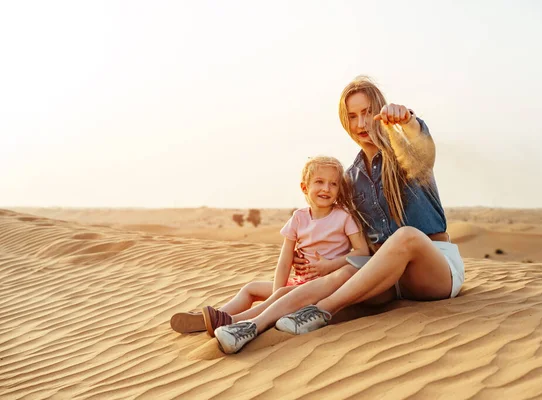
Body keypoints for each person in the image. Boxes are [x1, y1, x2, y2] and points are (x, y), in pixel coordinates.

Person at [214, 76, 465, 354]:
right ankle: (246, 324)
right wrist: (313, 255)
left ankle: (322, 311)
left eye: (368, 112)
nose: (361, 124)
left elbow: (424, 146)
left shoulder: (407, 153)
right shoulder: (351, 179)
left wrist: (407, 121)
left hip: (433, 270)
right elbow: (341, 229)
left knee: (406, 237)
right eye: (353, 116)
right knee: (338, 276)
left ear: (381, 111)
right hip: (387, 278)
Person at [170, 156, 369, 337]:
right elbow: (284, 261)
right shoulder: (298, 218)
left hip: (325, 288)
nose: (326, 188)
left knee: (281, 295)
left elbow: (362, 252)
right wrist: (275, 292)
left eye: (333, 184)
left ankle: (236, 321)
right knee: (252, 289)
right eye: (319, 182)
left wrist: (330, 265)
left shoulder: (343, 217)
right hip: (299, 283)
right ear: (304, 187)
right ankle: (217, 316)